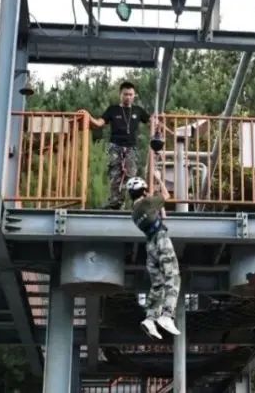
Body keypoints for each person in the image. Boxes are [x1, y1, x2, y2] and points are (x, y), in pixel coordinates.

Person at [81, 81, 155, 210]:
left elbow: (151, 123)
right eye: (125, 94)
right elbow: (99, 123)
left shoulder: (138, 110)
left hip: (131, 148)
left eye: (131, 94)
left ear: (134, 95)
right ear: (120, 94)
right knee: (115, 174)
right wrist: (88, 116)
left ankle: (133, 203)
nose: (128, 97)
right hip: (115, 146)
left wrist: (157, 121)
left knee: (131, 176)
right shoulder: (113, 110)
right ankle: (115, 202)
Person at [126, 176, 181, 339]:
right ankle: (167, 315)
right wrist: (159, 179)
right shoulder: (147, 202)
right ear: (143, 191)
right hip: (160, 238)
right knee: (173, 277)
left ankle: (150, 319)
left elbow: (161, 216)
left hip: (150, 245)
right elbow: (166, 195)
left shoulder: (134, 213)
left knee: (158, 285)